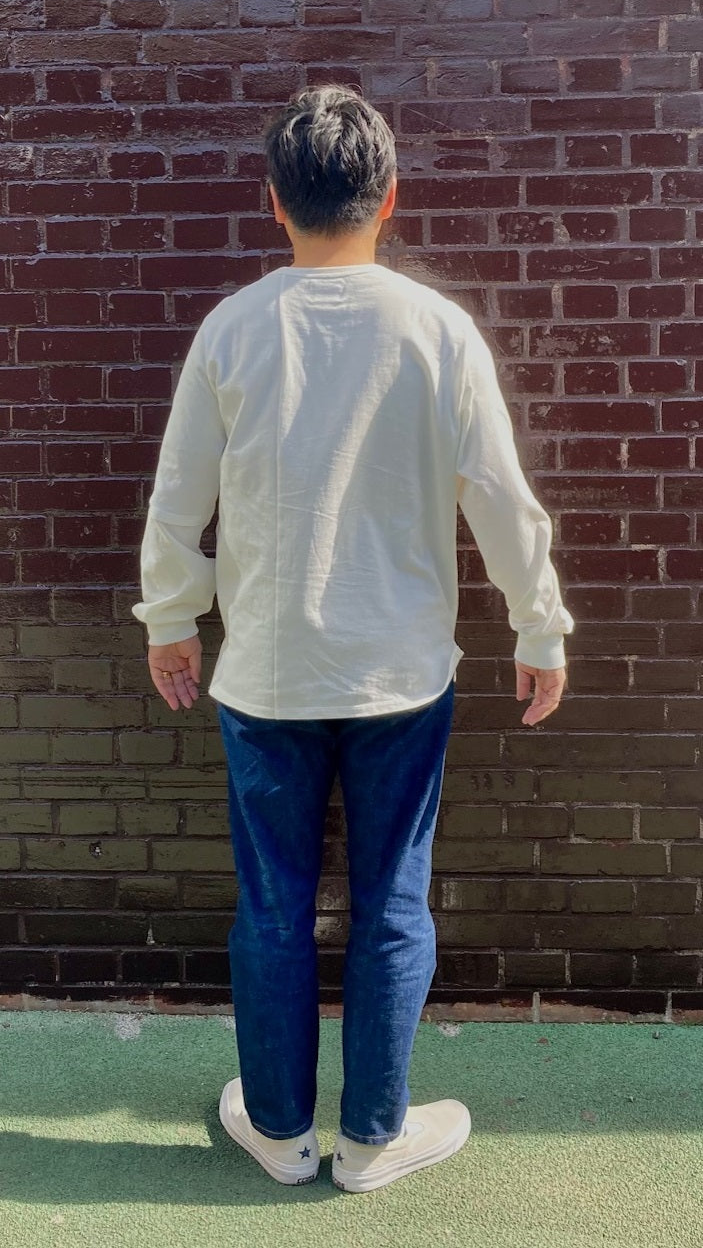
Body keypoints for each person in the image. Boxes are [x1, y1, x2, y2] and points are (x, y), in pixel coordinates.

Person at [133, 85, 573, 1193]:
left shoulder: (233, 328)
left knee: (274, 904)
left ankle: (280, 1132)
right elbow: (500, 497)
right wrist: (539, 623)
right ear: (390, 198)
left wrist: (171, 618)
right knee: (390, 903)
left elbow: (177, 498)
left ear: (273, 201)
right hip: (401, 675)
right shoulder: (438, 330)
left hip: (265, 676)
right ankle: (373, 1138)